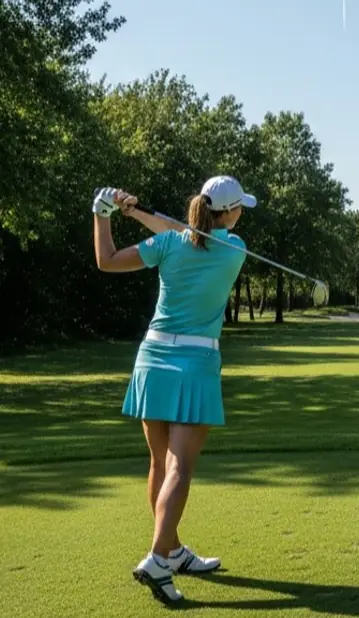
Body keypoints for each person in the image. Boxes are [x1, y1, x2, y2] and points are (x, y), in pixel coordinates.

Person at [91, 176, 257, 605]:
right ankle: (159, 559)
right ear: (229, 213)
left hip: (152, 360)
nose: (242, 213)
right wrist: (138, 213)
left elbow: (107, 260)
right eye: (240, 207)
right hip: (195, 365)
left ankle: (175, 550)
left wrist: (104, 214)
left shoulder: (168, 244)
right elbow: (187, 232)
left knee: (160, 465)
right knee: (180, 467)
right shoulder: (234, 249)